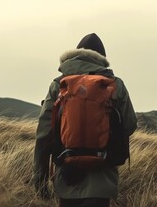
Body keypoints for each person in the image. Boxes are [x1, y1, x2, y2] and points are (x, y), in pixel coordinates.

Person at [33, 33, 138, 207]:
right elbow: (130, 125)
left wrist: (40, 179)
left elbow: (43, 135)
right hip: (102, 181)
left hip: (66, 179)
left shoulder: (59, 84)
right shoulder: (114, 84)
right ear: (102, 58)